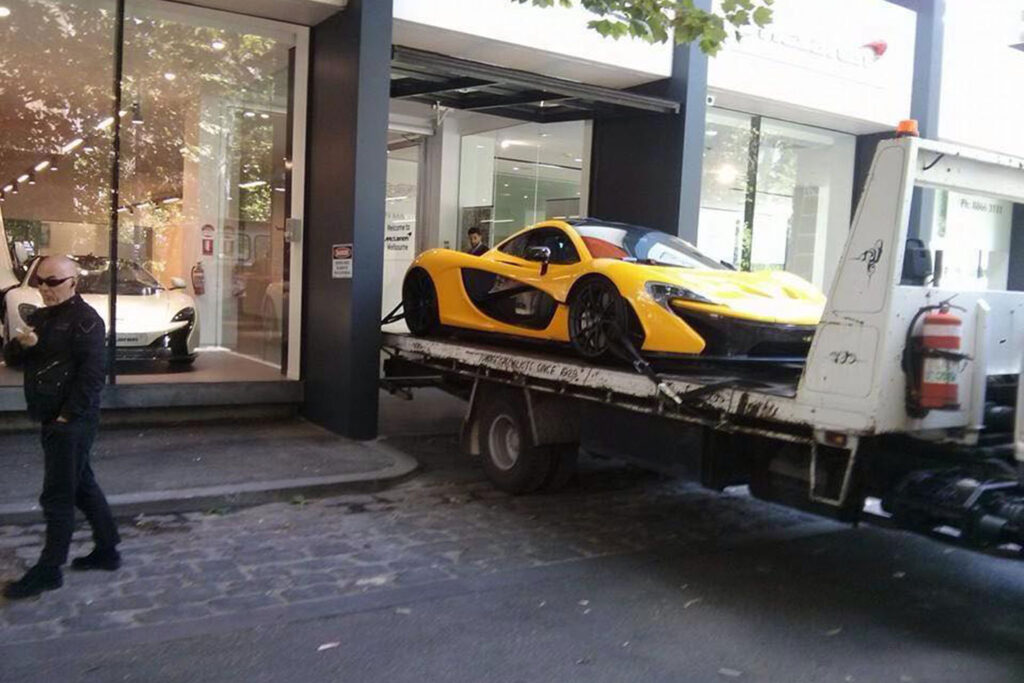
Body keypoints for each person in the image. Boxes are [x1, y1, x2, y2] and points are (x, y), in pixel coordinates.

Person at [2, 255, 121, 600]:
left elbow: (92, 377)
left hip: (70, 422)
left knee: (57, 495)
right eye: (40, 281)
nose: (44, 288)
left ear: (73, 282)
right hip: (51, 416)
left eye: (52, 282)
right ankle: (108, 549)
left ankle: (49, 569)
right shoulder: (40, 317)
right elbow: (13, 359)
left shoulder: (86, 321)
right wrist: (20, 345)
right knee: (81, 484)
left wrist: (67, 417)